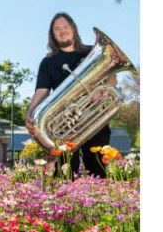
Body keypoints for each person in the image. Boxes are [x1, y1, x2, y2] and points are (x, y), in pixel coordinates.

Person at [25, 12, 116, 178]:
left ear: (73, 29)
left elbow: (111, 77)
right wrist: (30, 114)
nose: (62, 31)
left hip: (94, 119)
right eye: (57, 29)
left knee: (99, 173)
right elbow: (41, 91)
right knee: (64, 175)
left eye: (65, 27)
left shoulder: (91, 52)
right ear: (52, 34)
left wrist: (102, 94)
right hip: (64, 126)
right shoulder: (48, 62)